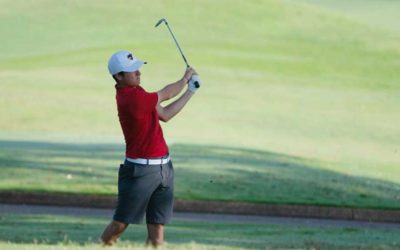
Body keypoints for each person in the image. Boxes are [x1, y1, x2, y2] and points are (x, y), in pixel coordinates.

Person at [100, 50, 199, 247]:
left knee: (157, 225)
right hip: (141, 172)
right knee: (121, 222)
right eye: (131, 70)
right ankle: (99, 246)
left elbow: (165, 114)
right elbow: (166, 93)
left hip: (164, 168)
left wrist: (191, 90)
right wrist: (185, 77)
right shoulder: (131, 99)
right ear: (118, 76)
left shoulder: (139, 93)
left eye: (137, 67)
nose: (138, 72)